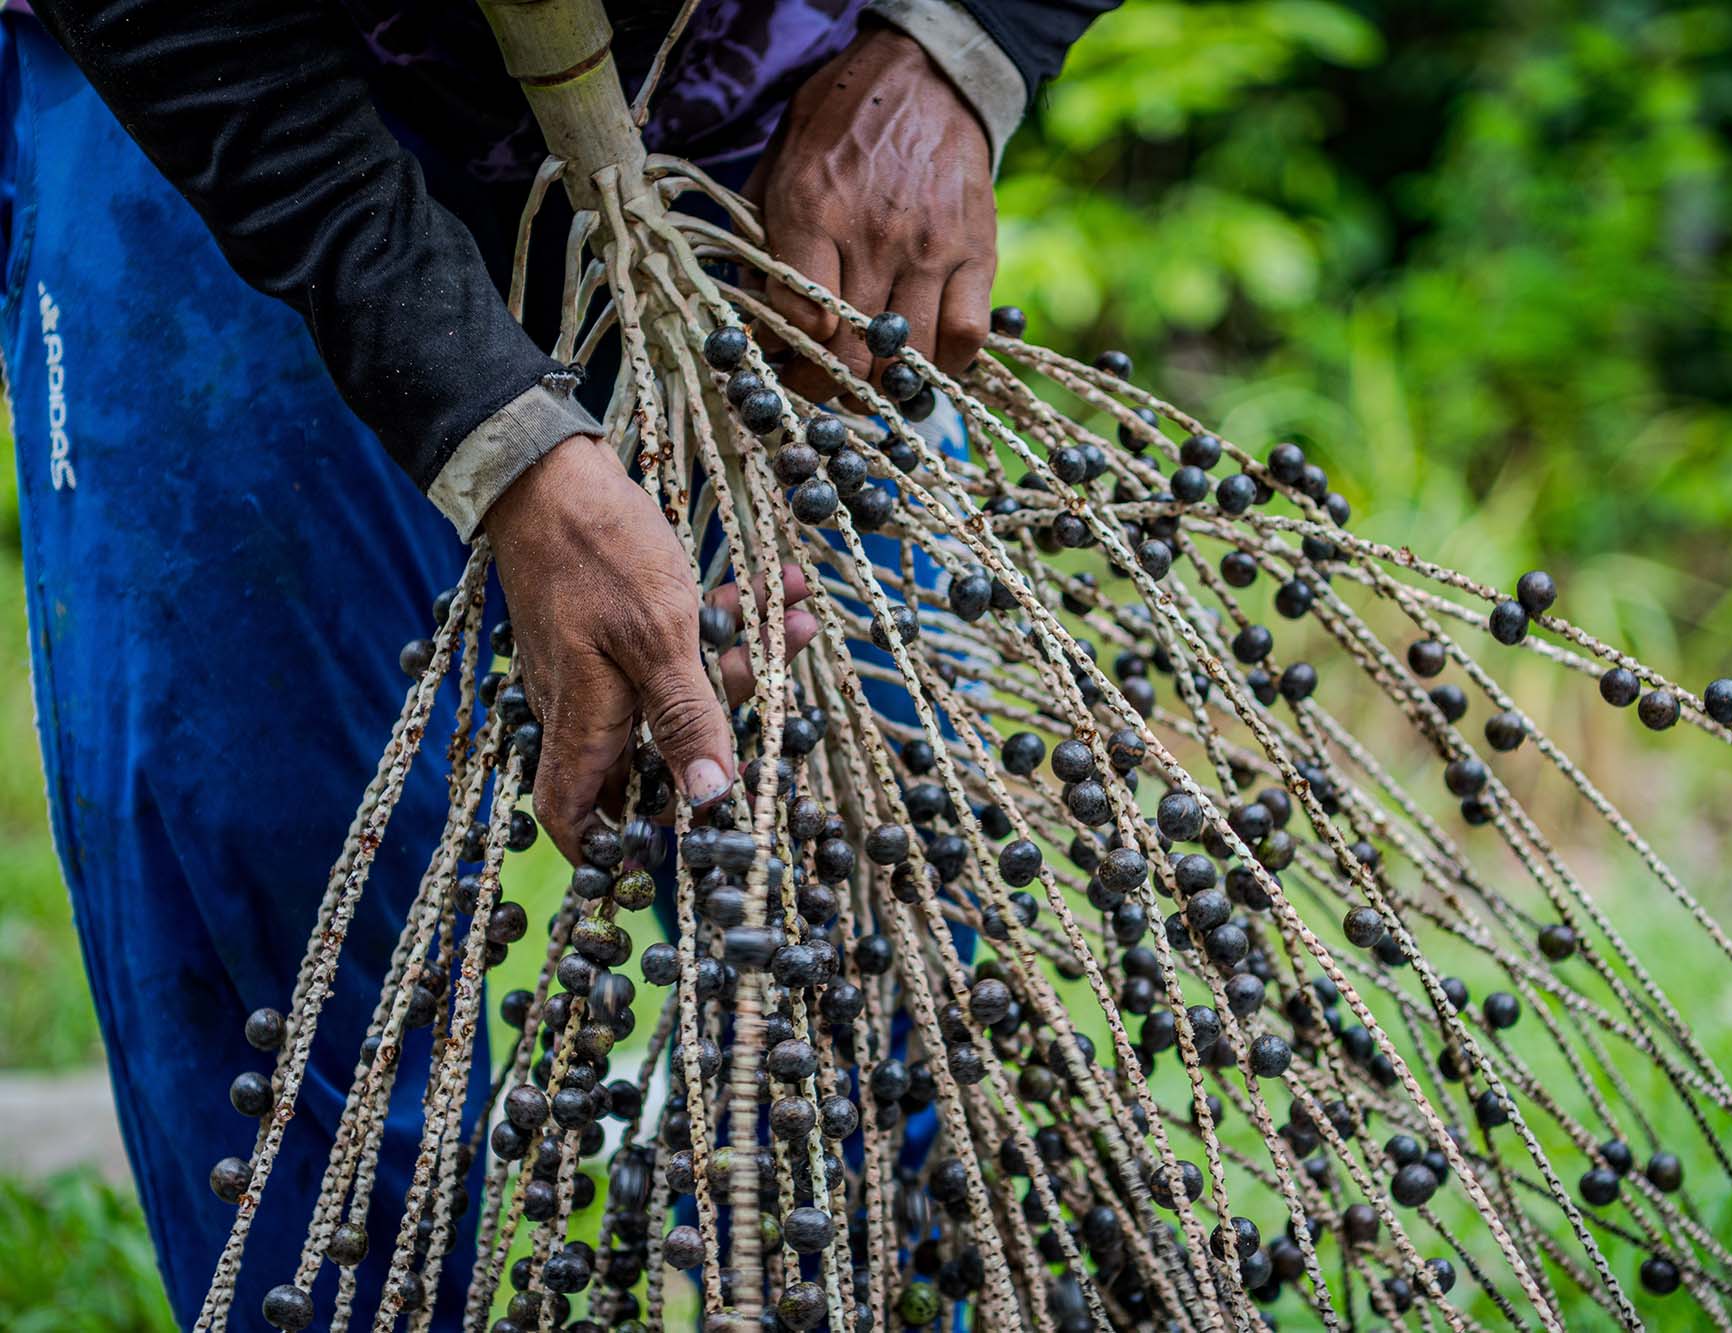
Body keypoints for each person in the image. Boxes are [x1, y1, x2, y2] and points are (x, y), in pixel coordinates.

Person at [4, 0, 1113, 1324]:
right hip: (233, 92)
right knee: (304, 1027)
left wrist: (963, 45)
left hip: (757, 106)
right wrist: (494, 434)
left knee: (873, 950)